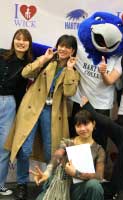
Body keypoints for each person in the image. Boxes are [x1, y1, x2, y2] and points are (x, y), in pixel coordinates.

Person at [4, 34, 80, 200]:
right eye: (61, 45)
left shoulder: (73, 70)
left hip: (52, 113)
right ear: (57, 46)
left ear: (72, 50)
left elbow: (69, 92)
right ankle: (22, 183)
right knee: (24, 149)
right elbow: (25, 72)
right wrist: (44, 58)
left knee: (51, 151)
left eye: (68, 47)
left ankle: (48, 183)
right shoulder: (48, 60)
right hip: (31, 108)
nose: (63, 49)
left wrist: (68, 69)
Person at [30, 109, 105, 200]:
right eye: (78, 125)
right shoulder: (67, 142)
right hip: (60, 184)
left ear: (93, 124)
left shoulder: (99, 150)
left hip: (80, 189)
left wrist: (76, 173)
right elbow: (57, 157)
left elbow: (99, 176)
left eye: (86, 124)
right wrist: (47, 173)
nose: (82, 129)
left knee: (94, 186)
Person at [0, 29, 33, 196]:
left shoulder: (29, 65)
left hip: (10, 105)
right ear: (13, 40)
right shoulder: (2, 54)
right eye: (18, 39)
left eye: (25, 40)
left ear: (29, 43)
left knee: (4, 147)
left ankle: (0, 185)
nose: (21, 42)